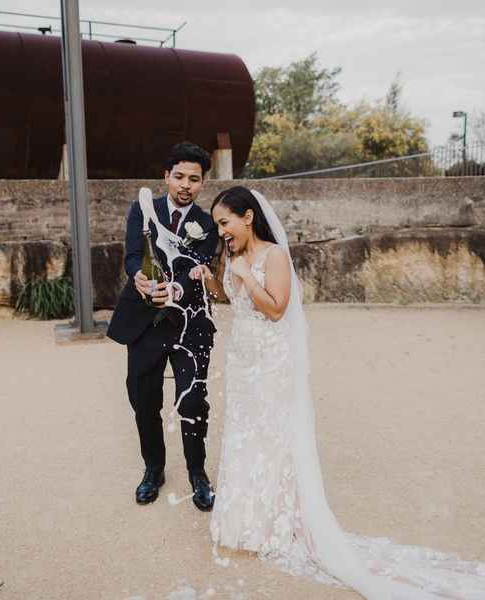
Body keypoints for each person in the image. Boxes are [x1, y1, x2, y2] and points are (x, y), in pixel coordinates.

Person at [189, 186, 485, 599]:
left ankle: (279, 521)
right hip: (243, 363)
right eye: (218, 225)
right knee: (245, 436)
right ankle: (246, 519)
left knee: (274, 438)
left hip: (273, 366)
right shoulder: (232, 258)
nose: (221, 231)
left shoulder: (274, 256)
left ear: (248, 217)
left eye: (225, 222)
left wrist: (242, 277)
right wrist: (212, 281)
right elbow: (230, 298)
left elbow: (275, 308)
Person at [107, 142, 218, 511]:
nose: (186, 185)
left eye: (195, 179)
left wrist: (176, 288)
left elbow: (198, 264)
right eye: (180, 177)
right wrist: (137, 276)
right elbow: (132, 254)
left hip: (188, 324)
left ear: (203, 183)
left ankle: (197, 473)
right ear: (166, 176)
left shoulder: (206, 222)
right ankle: (153, 469)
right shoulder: (143, 209)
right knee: (144, 400)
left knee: (194, 401)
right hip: (144, 323)